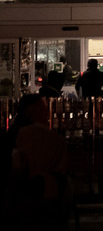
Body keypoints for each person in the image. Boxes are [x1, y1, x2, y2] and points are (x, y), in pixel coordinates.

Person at [9, 94, 70, 230]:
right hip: (44, 196)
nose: (47, 115)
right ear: (32, 113)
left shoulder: (14, 135)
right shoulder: (45, 137)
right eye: (43, 111)